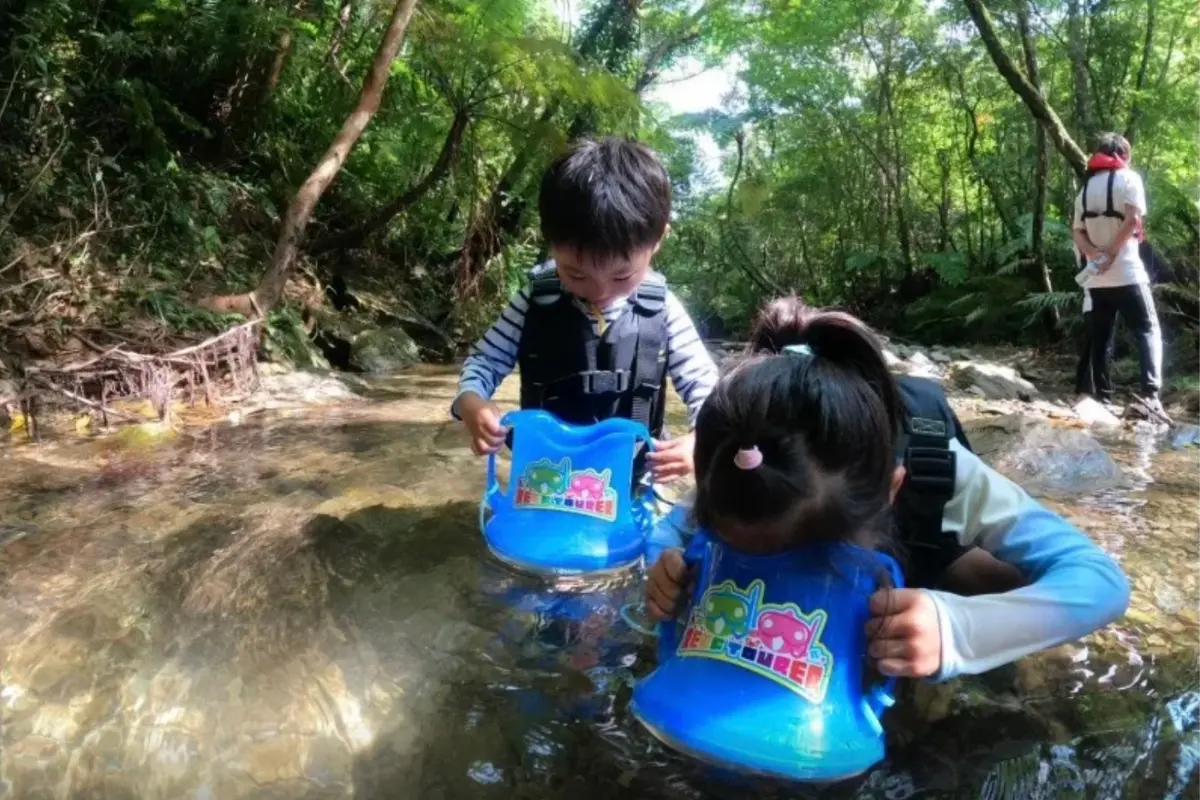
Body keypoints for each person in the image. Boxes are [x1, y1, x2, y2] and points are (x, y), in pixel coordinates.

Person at [645, 302, 1130, 682]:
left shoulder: (941, 468)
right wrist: (665, 564)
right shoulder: (744, 469)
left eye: (814, 557)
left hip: (924, 550)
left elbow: (1100, 583)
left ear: (889, 490)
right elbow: (666, 532)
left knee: (998, 579)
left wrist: (957, 630)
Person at [452, 137, 719, 482]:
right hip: (546, 478)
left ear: (657, 241)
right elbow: (484, 361)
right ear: (550, 243)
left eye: (622, 275)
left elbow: (705, 385)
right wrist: (472, 402)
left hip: (633, 479)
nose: (600, 292)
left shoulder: (663, 308)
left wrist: (701, 441)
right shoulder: (535, 299)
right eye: (576, 274)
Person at [1072, 132, 1169, 423]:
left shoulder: (1086, 189)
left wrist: (1093, 255)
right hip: (1127, 273)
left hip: (1098, 280)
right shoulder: (1130, 179)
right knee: (1148, 331)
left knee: (1102, 340)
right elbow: (1133, 219)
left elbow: (1076, 230)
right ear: (1123, 155)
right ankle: (1150, 395)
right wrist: (1112, 253)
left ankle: (1103, 399)